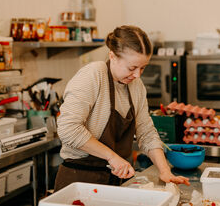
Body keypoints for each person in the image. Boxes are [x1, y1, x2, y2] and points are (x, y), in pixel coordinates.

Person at [54, 25, 190, 191]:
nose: (138, 75)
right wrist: (112, 157)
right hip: (80, 180)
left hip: (118, 182)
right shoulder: (93, 75)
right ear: (113, 56)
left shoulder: (136, 86)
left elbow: (146, 132)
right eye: (132, 68)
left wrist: (165, 171)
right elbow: (68, 129)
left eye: (143, 68)